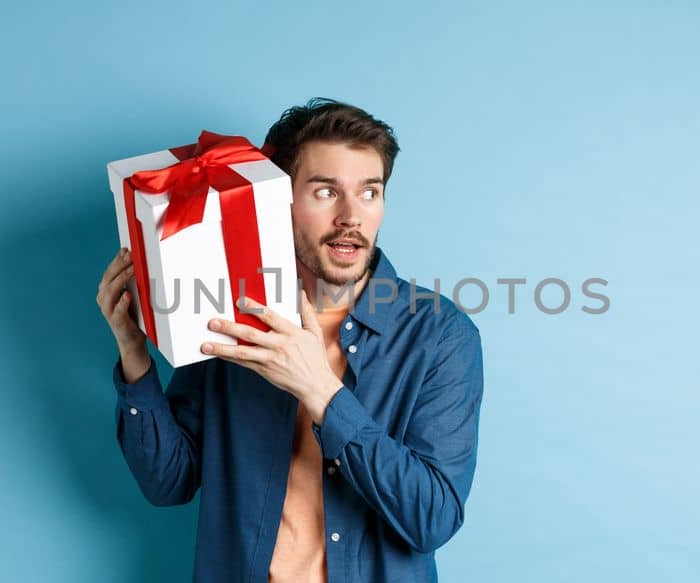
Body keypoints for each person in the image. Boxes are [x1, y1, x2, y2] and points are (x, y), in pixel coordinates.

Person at [96, 98, 485, 582]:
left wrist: (322, 393)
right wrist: (134, 355)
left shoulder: (439, 335)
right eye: (325, 192)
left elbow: (433, 519)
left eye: (369, 192)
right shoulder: (226, 317)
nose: (350, 217)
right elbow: (169, 483)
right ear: (280, 202)